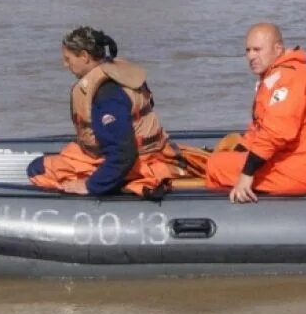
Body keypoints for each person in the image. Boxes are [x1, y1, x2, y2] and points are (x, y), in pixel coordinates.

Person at [28, 27, 206, 196]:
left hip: (134, 161)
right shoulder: (118, 72)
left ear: (84, 56)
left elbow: (123, 154)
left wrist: (90, 185)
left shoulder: (106, 94)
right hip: (148, 151)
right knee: (70, 152)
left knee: (38, 169)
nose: (65, 65)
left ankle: (114, 188)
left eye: (68, 59)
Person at [205, 23, 306, 203]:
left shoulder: (287, 79)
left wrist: (247, 174)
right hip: (305, 162)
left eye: (257, 50)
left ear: (277, 49)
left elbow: (276, 133)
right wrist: (242, 150)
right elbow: (259, 128)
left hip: (304, 169)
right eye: (248, 50)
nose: (251, 56)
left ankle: (234, 216)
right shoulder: (279, 75)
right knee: (226, 154)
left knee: (215, 166)